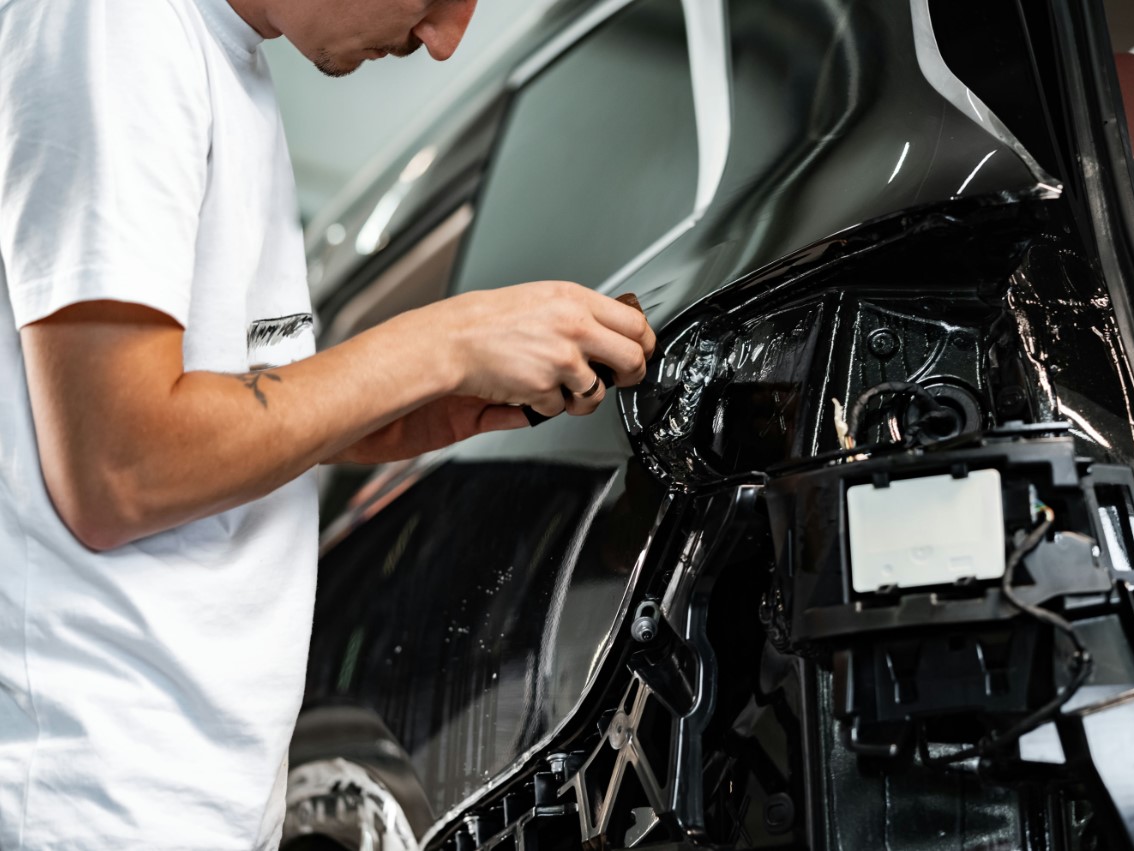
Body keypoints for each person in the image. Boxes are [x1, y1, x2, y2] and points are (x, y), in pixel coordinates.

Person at [0, 0, 655, 847]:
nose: (446, 38)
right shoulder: (116, 22)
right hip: (92, 797)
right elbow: (121, 468)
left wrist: (421, 408)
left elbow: (223, 405)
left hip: (180, 796)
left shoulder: (224, 62)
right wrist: (447, 342)